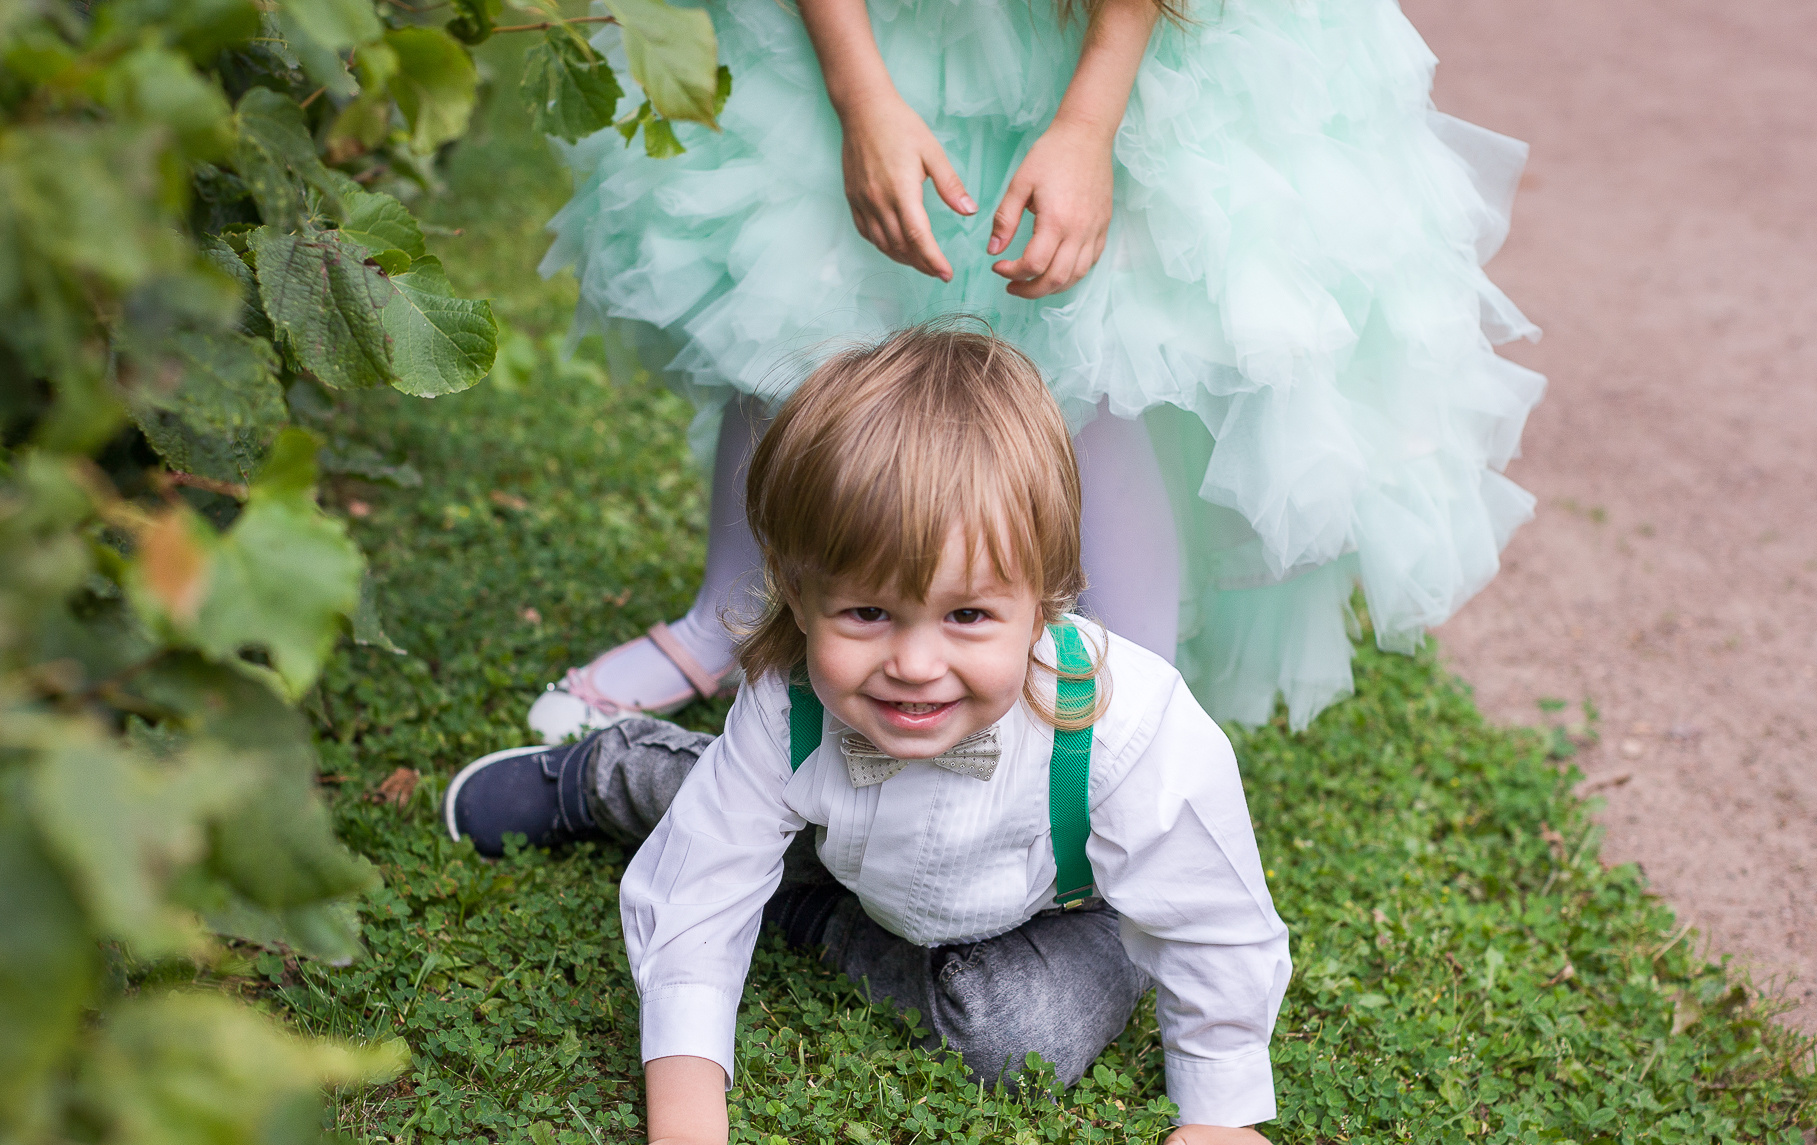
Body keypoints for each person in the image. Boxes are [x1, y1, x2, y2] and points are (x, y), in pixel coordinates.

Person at [446, 327, 1311, 1145]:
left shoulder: (1126, 718)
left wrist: (1221, 1111)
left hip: (1064, 905)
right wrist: (689, 1136)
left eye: (968, 613)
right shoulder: (790, 704)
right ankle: (602, 770)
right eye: (867, 611)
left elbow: (1210, 914)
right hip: (840, 847)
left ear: (1048, 595)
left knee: (1020, 1038)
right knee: (702, 824)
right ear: (796, 591)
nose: (913, 662)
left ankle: (795, 911)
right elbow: (696, 895)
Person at [528, 0, 1544, 745]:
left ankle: (1123, 683)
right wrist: (859, 93)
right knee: (797, 263)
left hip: (1127, 34)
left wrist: (1088, 126)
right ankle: (736, 608)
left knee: (1108, 314)